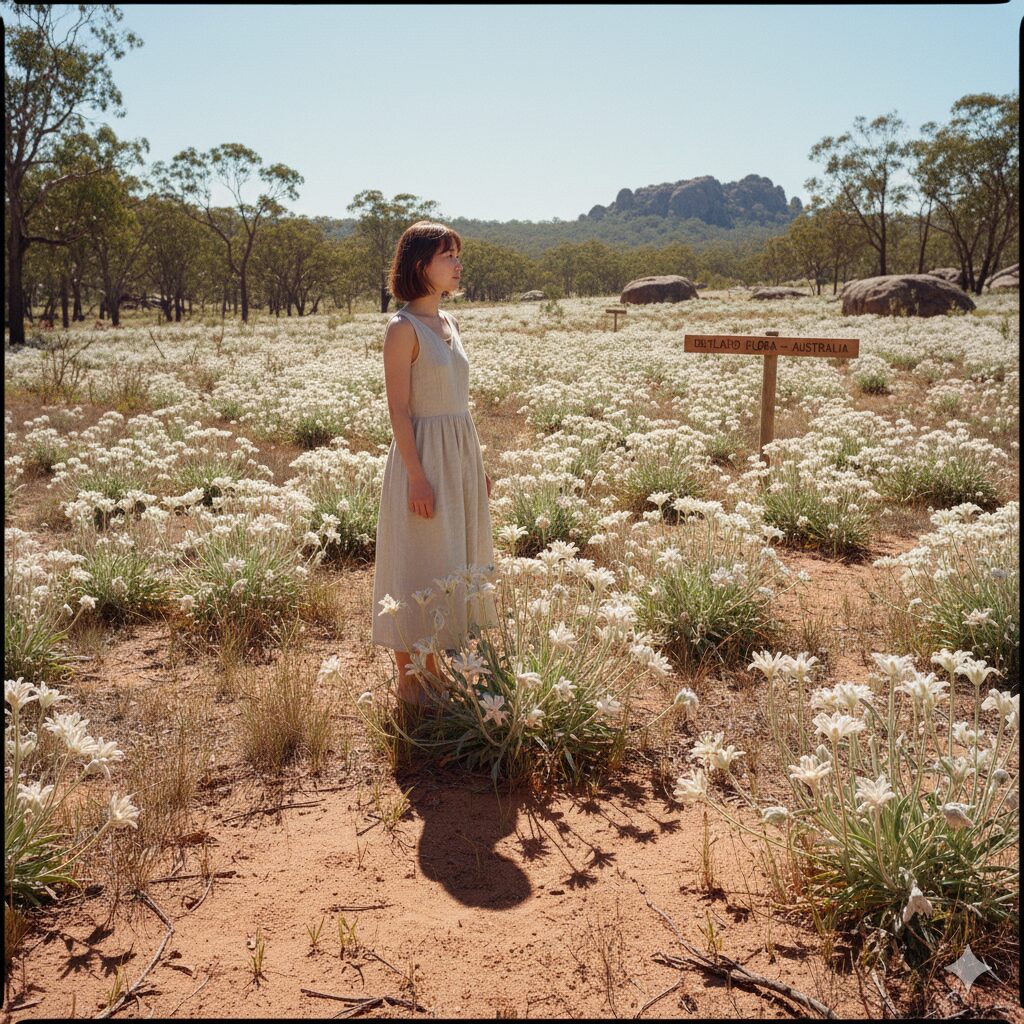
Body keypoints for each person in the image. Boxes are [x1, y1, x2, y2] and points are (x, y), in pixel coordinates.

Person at [371, 221, 498, 713]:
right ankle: (410, 682)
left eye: (457, 255)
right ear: (420, 265)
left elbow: (461, 403)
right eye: (448, 255)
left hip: (459, 454)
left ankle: (436, 673)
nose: (457, 264)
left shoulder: (450, 325)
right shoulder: (402, 329)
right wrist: (417, 476)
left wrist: (477, 463)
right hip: (420, 457)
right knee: (416, 561)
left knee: (450, 560)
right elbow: (399, 411)